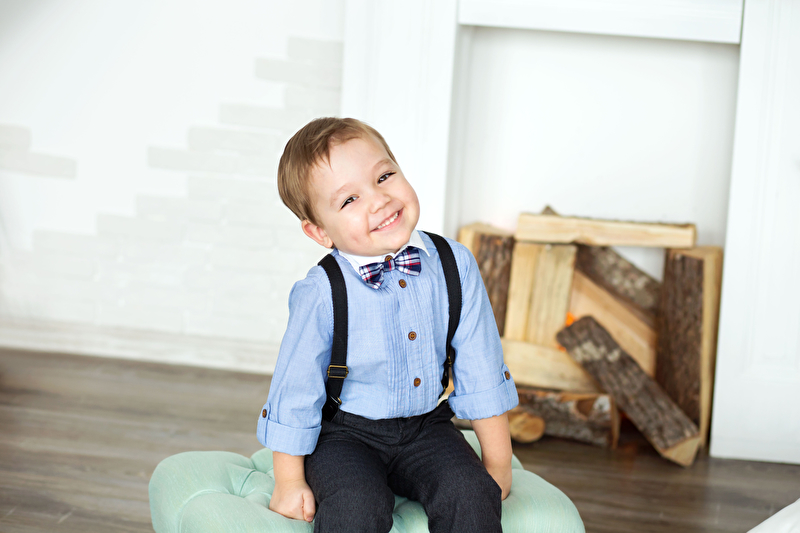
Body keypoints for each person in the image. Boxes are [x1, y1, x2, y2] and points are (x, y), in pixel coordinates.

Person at [257, 117, 518, 533]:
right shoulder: (321, 292)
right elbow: (295, 390)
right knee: (358, 505)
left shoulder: (455, 265)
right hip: (344, 435)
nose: (379, 200)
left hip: (427, 427)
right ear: (319, 231)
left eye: (384, 176)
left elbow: (481, 369)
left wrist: (498, 465)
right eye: (350, 200)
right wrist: (289, 482)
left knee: (471, 493)